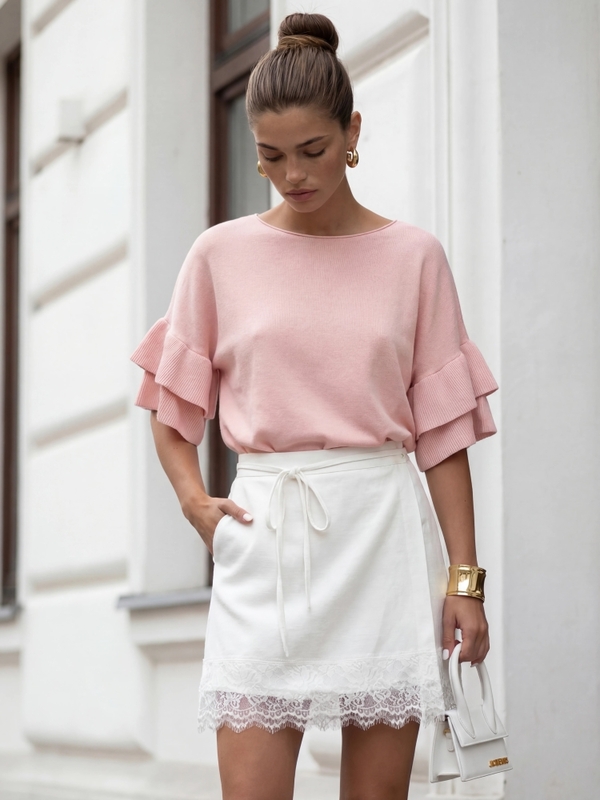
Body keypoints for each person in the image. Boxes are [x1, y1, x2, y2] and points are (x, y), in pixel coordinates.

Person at [131, 12, 497, 800]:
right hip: (265, 537)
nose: (292, 174)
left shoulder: (414, 258)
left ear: (351, 131)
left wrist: (464, 583)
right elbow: (170, 409)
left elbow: (443, 437)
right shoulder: (219, 255)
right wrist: (195, 504)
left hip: (380, 538)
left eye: (312, 150)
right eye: (270, 156)